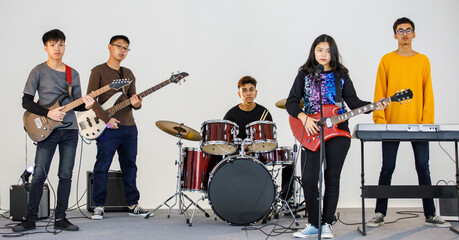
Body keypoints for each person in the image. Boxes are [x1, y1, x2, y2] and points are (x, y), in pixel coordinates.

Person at [286, 34, 387, 239]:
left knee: (332, 177)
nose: (324, 55)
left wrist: (375, 105)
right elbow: (291, 102)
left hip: (338, 131)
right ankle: (314, 224)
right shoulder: (304, 74)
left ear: (334, 53)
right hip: (312, 131)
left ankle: (326, 223)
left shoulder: (341, 75)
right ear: (313, 51)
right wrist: (304, 118)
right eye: (320, 50)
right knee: (308, 178)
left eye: (328, 51)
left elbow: (353, 101)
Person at [367, 17, 450, 228]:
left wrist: (427, 123)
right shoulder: (386, 60)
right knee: (388, 167)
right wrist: (380, 120)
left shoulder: (423, 60)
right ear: (394, 35)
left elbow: (427, 92)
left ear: (414, 34)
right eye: (400, 30)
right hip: (391, 124)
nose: (405, 34)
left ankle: (430, 213)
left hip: (419, 124)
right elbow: (380, 92)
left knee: (423, 167)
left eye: (409, 30)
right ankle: (379, 212)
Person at [13, 29, 95, 232]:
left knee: (65, 175)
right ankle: (30, 219)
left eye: (60, 44)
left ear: (65, 46)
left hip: (69, 130)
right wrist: (48, 113)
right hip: (46, 129)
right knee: (39, 174)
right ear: (45, 48)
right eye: (52, 44)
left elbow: (77, 104)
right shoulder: (38, 71)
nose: (57, 48)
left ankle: (61, 218)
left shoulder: (72, 73)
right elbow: (26, 101)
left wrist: (88, 104)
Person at [87, 35, 150, 220]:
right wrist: (107, 119)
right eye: (119, 46)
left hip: (129, 127)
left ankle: (133, 204)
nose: (122, 50)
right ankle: (99, 205)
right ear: (109, 47)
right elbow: (90, 101)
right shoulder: (98, 71)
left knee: (130, 166)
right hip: (107, 128)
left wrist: (137, 103)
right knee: (102, 165)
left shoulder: (128, 73)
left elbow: (134, 102)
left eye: (126, 48)